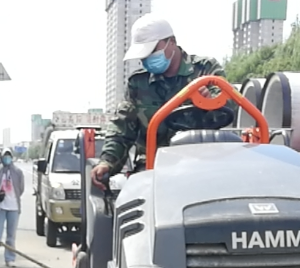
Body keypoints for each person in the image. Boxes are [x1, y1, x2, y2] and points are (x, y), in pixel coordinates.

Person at [91, 15, 225, 190]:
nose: (147, 59)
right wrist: (107, 162)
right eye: (144, 55)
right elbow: (122, 128)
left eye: (152, 51)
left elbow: (227, 104)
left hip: (201, 169)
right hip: (151, 172)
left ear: (172, 42)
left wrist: (210, 101)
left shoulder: (204, 70)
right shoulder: (138, 84)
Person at [0, 148, 23, 268]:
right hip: (0, 206)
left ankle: (10, 258)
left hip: (14, 207)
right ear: (1, 157)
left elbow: (21, 189)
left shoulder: (18, 172)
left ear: (12, 157)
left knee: (11, 235)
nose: (7, 158)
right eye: (5, 156)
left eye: (9, 156)